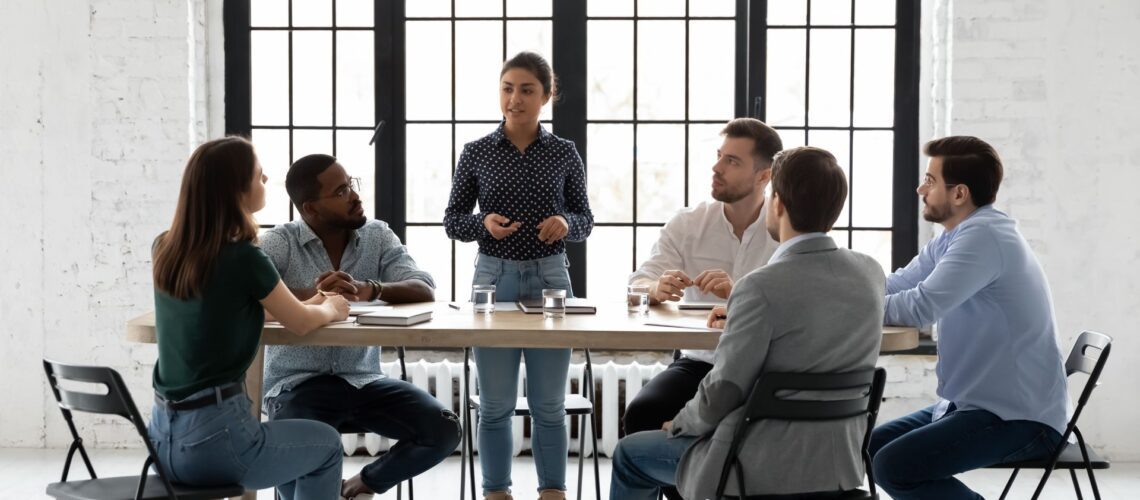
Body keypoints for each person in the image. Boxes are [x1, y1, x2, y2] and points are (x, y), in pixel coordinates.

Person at [609, 147, 885, 500]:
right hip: (840, 466)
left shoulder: (759, 286)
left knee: (630, 454)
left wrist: (680, 424)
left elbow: (724, 390)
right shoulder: (871, 273)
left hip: (753, 462)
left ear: (779, 204)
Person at [148, 137, 349, 500]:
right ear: (236, 190)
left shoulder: (165, 248)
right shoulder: (244, 257)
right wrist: (330, 309)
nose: (266, 180)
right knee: (327, 444)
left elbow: (230, 306)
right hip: (218, 443)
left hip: (162, 443)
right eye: (259, 175)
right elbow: (301, 323)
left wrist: (314, 301)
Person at [870, 136, 1069, 500]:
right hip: (971, 405)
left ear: (959, 193)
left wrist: (845, 306)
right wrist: (839, 287)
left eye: (930, 180)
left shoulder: (984, 237)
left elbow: (919, 307)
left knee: (891, 466)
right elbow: (897, 283)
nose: (920, 189)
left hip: (1018, 418)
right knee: (869, 451)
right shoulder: (955, 236)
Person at [259, 154, 461, 500]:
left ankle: (362, 485)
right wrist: (319, 294)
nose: (354, 196)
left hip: (363, 380)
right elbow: (254, 295)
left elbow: (423, 285)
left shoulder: (376, 235)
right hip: (296, 385)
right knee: (297, 465)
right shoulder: (280, 242)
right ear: (310, 209)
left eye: (351, 184)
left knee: (443, 429)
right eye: (340, 191)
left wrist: (373, 289)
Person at [443, 51, 593, 500]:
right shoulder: (476, 152)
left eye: (527, 90)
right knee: (494, 406)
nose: (515, 98)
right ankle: (496, 492)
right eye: (507, 88)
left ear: (547, 96)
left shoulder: (564, 152)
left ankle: (552, 492)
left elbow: (585, 217)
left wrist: (566, 223)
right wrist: (482, 224)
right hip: (493, 279)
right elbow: (452, 220)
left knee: (549, 405)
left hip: (552, 279)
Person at [623, 118, 783, 500]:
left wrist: (739, 295)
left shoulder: (784, 228)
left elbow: (798, 301)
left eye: (732, 161)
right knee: (642, 415)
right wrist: (655, 287)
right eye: (718, 157)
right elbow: (635, 285)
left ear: (764, 176)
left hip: (764, 366)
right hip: (700, 362)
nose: (716, 168)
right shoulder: (689, 222)